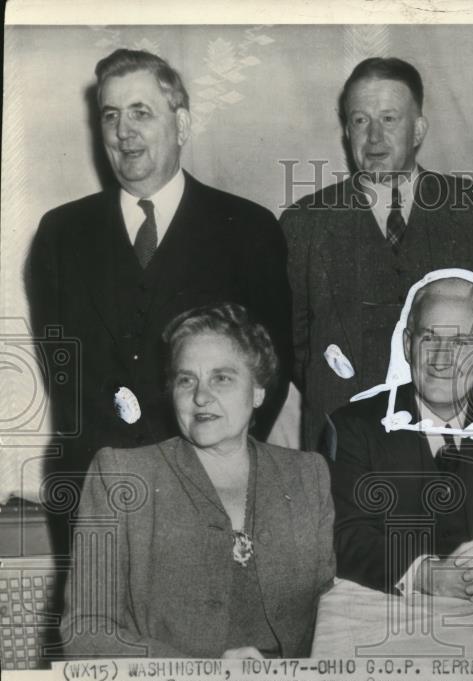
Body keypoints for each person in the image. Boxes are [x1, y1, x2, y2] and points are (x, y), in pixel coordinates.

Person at [27, 49, 292, 498]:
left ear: (182, 125)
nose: (123, 132)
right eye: (110, 116)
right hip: (94, 484)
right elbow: (63, 370)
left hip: (208, 484)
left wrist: (220, 461)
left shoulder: (248, 229)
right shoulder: (61, 233)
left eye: (140, 113)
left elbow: (271, 368)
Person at [60, 304, 335, 659]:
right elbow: (84, 633)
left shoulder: (306, 476)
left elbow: (330, 610)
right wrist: (201, 673)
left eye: (222, 378)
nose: (201, 397)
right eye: (186, 379)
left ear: (258, 392)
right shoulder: (121, 476)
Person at [282, 57, 473, 451]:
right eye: (360, 121)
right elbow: (295, 345)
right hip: (340, 439)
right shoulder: (305, 223)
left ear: (418, 129)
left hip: (446, 438)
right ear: (346, 131)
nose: (374, 139)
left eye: (389, 119)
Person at [326, 275, 473, 599]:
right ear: (408, 344)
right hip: (389, 613)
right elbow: (345, 536)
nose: (441, 360)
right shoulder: (355, 427)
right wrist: (426, 576)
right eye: (429, 339)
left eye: (461, 343)